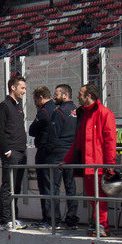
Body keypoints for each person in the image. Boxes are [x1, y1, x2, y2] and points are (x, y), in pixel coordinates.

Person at [63, 83, 116, 237]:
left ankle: (102, 225)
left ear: (89, 96)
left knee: (100, 197)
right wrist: (67, 159)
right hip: (88, 164)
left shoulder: (104, 113)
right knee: (94, 198)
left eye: (81, 93)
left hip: (98, 165)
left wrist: (110, 165)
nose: (78, 96)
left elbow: (110, 141)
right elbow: (77, 142)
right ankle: (99, 224)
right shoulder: (84, 114)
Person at [0, 74, 28, 230]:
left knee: (17, 188)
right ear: (13, 87)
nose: (24, 91)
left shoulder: (18, 105)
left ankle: (14, 217)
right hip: (12, 153)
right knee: (9, 186)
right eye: (22, 88)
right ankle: (6, 219)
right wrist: (7, 150)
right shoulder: (4, 106)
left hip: (21, 152)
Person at [28, 87, 58, 228]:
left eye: (35, 100)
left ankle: (48, 219)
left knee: (45, 186)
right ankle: (55, 219)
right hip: (56, 152)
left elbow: (32, 130)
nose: (34, 103)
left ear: (40, 97)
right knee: (53, 187)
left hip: (45, 152)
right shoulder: (57, 109)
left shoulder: (45, 111)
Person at [50, 84, 79, 228]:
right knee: (71, 186)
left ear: (65, 95)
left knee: (54, 186)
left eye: (56, 94)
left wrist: (50, 150)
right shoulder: (78, 111)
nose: (54, 97)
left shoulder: (59, 112)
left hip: (59, 153)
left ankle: (55, 218)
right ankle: (72, 217)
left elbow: (54, 134)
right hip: (73, 153)